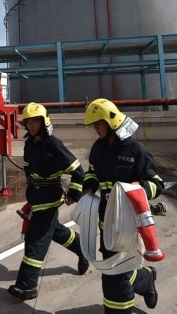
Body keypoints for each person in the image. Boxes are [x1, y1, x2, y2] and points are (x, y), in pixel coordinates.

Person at [82, 98, 163, 313]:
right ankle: (145, 278)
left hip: (129, 225)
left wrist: (140, 187)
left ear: (110, 123)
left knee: (114, 279)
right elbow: (92, 171)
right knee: (116, 269)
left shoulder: (136, 151)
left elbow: (157, 184)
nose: (95, 130)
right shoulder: (98, 149)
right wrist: (89, 184)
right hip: (106, 223)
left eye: (97, 125)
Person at [7, 102, 88, 300]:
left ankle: (27, 287)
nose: (32, 125)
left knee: (35, 241)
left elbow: (78, 172)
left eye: (35, 121)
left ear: (44, 122)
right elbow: (27, 167)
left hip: (50, 198)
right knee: (54, 231)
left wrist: (73, 194)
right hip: (36, 197)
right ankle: (81, 247)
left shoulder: (53, 144)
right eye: (29, 122)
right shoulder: (29, 143)